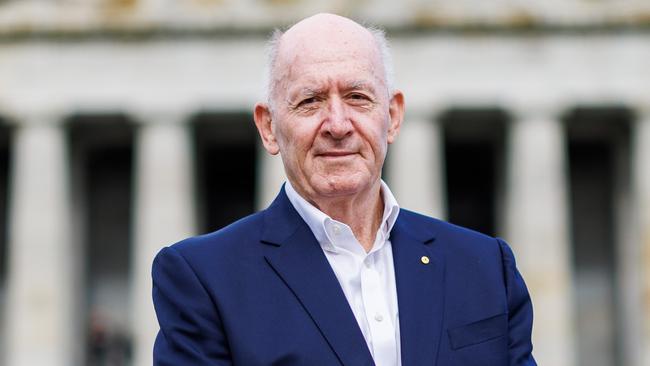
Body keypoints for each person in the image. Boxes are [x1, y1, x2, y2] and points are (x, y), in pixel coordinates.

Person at [152, 13, 536, 366]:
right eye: (310, 101)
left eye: (357, 97)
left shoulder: (486, 266)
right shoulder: (202, 278)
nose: (338, 124)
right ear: (268, 127)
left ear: (392, 116)